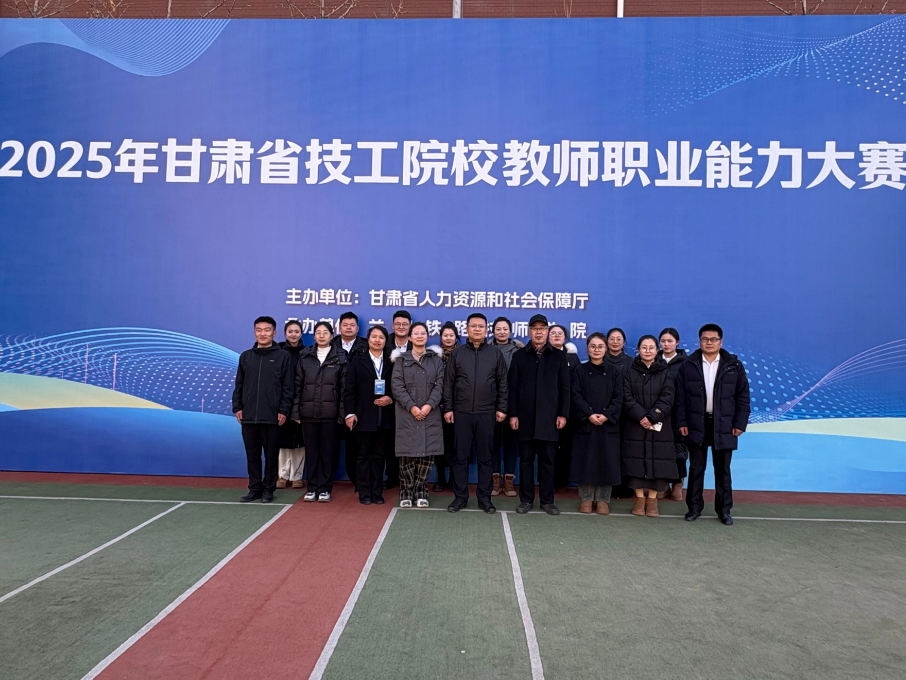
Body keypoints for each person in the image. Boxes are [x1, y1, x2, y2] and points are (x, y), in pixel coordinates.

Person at [675, 324, 751, 526]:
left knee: (723, 470)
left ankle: (724, 511)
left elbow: (743, 397)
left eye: (713, 339)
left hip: (724, 424)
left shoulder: (734, 365)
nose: (709, 343)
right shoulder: (688, 365)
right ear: (699, 341)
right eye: (705, 339)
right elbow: (680, 397)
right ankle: (694, 508)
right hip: (696, 423)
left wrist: (740, 423)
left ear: (721, 342)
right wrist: (682, 421)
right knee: (696, 468)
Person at [443, 313, 508, 514]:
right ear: (467, 329)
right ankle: (460, 497)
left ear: (486, 330)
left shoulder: (495, 354)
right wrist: (448, 408)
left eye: (481, 326)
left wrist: (502, 408)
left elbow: (503, 383)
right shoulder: (457, 353)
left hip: (487, 413)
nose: (477, 329)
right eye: (473, 326)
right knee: (460, 458)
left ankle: (484, 498)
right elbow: (448, 383)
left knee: (486, 458)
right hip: (461, 412)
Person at [509, 314, 571, 516]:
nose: (538, 332)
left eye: (542, 328)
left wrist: (563, 414)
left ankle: (547, 500)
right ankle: (526, 499)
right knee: (526, 461)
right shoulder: (519, 356)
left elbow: (565, 388)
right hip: (525, 417)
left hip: (550, 418)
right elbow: (513, 388)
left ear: (547, 332)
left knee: (547, 462)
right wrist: (513, 414)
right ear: (529, 331)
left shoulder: (558, 356)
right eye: (534, 328)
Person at [232, 316, 294, 503]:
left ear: (274, 333)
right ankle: (254, 488)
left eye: (267, 330)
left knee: (271, 456)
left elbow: (288, 387)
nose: (263, 333)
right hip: (249, 416)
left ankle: (269, 489)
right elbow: (239, 385)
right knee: (252, 456)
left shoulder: (283, 356)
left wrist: (284, 410)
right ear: (254, 333)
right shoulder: (246, 356)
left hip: (273, 416)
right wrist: (238, 407)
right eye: (259, 330)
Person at [291, 321, 347, 503]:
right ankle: (312, 487)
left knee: (328, 452)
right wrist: (296, 412)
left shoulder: (340, 357)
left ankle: (325, 488)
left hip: (331, 414)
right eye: (318, 332)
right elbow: (297, 387)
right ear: (314, 336)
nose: (321, 336)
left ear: (332, 335)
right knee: (312, 452)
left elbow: (344, 389)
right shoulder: (305, 356)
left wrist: (342, 414)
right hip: (308, 413)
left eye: (325, 332)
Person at [391, 322, 445, 508]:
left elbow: (440, 385)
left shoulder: (436, 360)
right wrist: (412, 407)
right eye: (416, 333)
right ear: (410, 337)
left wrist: (429, 406)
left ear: (427, 336)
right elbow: (397, 386)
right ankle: (406, 492)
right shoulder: (401, 360)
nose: (420, 336)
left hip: (430, 413)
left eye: (423, 333)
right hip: (407, 414)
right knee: (407, 454)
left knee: (426, 454)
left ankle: (421, 491)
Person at [622, 335, 676, 518]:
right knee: (635, 460)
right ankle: (639, 499)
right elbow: (626, 396)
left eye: (651, 347)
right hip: (635, 422)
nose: (647, 351)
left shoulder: (665, 371)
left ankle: (652, 501)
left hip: (659, 423)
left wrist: (653, 416)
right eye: (644, 347)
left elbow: (668, 397)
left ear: (657, 350)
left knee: (657, 461)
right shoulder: (629, 370)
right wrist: (641, 416)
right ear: (638, 350)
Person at [569, 332, 623, 514]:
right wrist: (589, 414)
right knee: (586, 460)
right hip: (586, 422)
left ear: (606, 349)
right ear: (587, 348)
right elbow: (575, 396)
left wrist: (606, 415)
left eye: (600, 346)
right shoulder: (580, 370)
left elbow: (619, 397)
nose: (596, 350)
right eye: (593, 346)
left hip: (608, 424)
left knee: (606, 461)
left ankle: (602, 499)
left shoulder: (615, 372)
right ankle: (586, 498)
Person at [343, 325, 394, 505]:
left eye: (381, 337)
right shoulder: (358, 361)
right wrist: (349, 413)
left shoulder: (391, 361)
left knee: (380, 456)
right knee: (363, 456)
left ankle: (377, 492)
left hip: (384, 417)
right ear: (368, 339)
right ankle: (364, 492)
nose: (377, 340)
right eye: (374, 337)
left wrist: (391, 398)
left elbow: (397, 386)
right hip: (363, 416)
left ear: (386, 340)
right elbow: (349, 390)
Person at [331, 311, 368, 493]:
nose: (348, 328)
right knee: (331, 444)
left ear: (357, 328)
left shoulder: (365, 345)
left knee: (356, 445)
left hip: (356, 403)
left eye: (352, 325)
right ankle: (326, 482)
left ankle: (358, 481)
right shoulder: (330, 345)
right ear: (339, 327)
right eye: (345, 325)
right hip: (332, 402)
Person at [490, 316, 522, 497]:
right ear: (493, 331)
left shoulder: (519, 351)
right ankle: (495, 481)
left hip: (513, 405)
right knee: (493, 445)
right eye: (498, 329)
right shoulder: (487, 349)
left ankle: (509, 482)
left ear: (510, 331)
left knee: (511, 445)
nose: (502, 332)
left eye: (505, 329)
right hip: (490, 405)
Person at [382, 310, 412, 490]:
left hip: (410, 402)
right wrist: (389, 396)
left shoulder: (417, 344)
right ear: (393, 326)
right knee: (389, 440)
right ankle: (391, 475)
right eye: (398, 324)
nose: (401, 327)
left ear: (410, 326)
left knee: (408, 439)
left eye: (405, 324)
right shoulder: (384, 344)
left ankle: (407, 477)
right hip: (388, 401)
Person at [657, 327, 688, 502]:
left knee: (679, 451)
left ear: (677, 343)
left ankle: (677, 485)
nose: (666, 344)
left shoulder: (687, 363)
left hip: (679, 414)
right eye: (663, 341)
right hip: (659, 414)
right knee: (660, 450)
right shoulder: (654, 360)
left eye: (670, 341)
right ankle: (662, 485)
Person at [549, 324, 580, 490]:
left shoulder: (572, 358)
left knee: (564, 446)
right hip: (547, 409)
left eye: (560, 333)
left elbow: (576, 385)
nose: (556, 336)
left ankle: (562, 480)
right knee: (548, 447)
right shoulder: (542, 355)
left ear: (565, 337)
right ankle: (549, 481)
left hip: (567, 409)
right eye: (553, 333)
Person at [277, 320, 306, 490]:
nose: (293, 334)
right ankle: (282, 475)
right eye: (290, 331)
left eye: (296, 331)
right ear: (285, 333)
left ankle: (297, 476)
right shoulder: (279, 351)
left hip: (302, 400)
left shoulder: (306, 352)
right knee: (282, 440)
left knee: (299, 442)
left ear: (301, 333)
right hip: (282, 400)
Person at [433, 321, 460, 491]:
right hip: (437, 406)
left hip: (458, 406)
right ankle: (441, 478)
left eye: (451, 335)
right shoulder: (433, 355)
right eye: (445, 335)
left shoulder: (463, 354)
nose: (448, 338)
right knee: (439, 443)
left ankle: (454, 479)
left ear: (456, 337)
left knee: (456, 444)